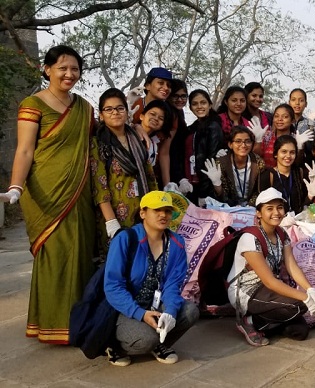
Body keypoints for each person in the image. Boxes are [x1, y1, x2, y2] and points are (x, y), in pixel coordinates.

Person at [0, 45, 97, 344]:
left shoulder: (84, 107)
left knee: (80, 255)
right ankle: (51, 324)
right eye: (62, 68)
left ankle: (78, 323)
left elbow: (93, 147)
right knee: (54, 257)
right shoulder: (33, 104)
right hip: (45, 191)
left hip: (79, 191)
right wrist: (16, 186)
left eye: (75, 69)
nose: (69, 74)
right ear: (47, 69)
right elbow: (25, 149)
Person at [104, 191, 199, 366]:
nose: (163, 215)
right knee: (145, 339)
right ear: (143, 213)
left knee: (189, 311)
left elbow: (172, 284)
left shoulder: (176, 243)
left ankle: (160, 343)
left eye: (167, 211)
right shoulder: (125, 239)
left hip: (155, 304)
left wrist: (170, 311)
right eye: (157, 210)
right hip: (124, 308)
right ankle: (115, 347)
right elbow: (113, 286)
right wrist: (140, 314)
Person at [227, 188, 315, 346]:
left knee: (300, 331)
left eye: (279, 207)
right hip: (246, 291)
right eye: (269, 209)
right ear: (258, 213)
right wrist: (305, 297)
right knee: (299, 305)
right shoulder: (250, 238)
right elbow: (270, 281)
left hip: (266, 289)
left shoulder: (281, 234)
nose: (276, 212)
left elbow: (292, 266)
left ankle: (270, 323)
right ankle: (249, 320)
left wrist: (310, 289)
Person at [90, 88, 159, 258]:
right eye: (109, 109)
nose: (115, 113)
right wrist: (111, 222)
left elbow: (150, 177)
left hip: (143, 213)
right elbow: (99, 185)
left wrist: (154, 209)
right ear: (101, 114)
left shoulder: (137, 138)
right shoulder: (99, 143)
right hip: (116, 216)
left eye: (120, 108)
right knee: (119, 264)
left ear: (127, 112)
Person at [203, 126, 273, 207]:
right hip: (229, 207)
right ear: (230, 145)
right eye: (238, 141)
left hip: (252, 207)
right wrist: (217, 184)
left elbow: (259, 191)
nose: (243, 145)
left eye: (247, 141)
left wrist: (249, 206)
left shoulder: (258, 163)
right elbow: (222, 196)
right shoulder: (221, 163)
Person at [185, 89, 225, 202]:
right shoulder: (192, 128)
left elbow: (210, 160)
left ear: (210, 105)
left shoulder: (213, 126)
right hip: (192, 182)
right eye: (195, 104)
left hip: (206, 186)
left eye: (203, 102)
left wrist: (203, 193)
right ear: (190, 107)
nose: (199, 106)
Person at [270, 135, 311, 215]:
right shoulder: (268, 175)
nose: (288, 156)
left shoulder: (300, 173)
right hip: (276, 222)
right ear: (276, 154)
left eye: (292, 152)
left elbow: (304, 204)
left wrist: (311, 195)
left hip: (298, 221)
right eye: (284, 152)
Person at [162, 79, 190, 191]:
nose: (180, 100)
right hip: (169, 170)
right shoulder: (169, 113)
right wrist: (170, 182)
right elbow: (167, 150)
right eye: (175, 96)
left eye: (183, 96)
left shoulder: (179, 113)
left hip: (179, 166)